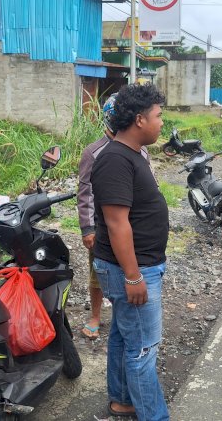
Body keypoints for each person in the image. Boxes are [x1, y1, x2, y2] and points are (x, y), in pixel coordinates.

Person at [91, 83, 169, 420]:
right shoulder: (114, 160)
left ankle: (122, 400)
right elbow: (116, 222)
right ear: (139, 119)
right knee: (143, 349)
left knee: (124, 337)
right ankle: (155, 416)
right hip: (132, 269)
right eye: (158, 116)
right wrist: (134, 276)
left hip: (135, 266)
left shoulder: (130, 154)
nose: (161, 122)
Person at [78, 93, 152, 340]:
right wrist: (88, 229)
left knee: (131, 270)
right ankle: (96, 316)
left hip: (132, 226)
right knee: (97, 274)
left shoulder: (140, 151)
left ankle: (126, 315)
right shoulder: (94, 152)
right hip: (103, 226)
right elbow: (85, 193)